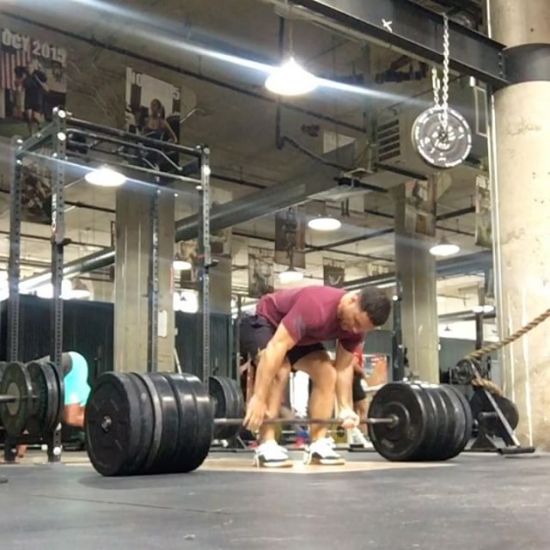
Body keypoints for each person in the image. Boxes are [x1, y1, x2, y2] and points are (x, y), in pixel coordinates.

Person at [240, 285, 391, 467]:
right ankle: (267, 443)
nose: (354, 330)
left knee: (326, 373)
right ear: (352, 300)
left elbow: (342, 368)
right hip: (264, 321)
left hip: (299, 336)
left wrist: (344, 407)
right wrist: (258, 397)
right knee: (280, 368)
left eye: (361, 328)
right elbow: (276, 347)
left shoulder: (355, 330)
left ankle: (318, 444)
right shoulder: (316, 306)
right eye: (356, 322)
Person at [16, 351, 91, 459]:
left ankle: (100, 431)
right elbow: (27, 419)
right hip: (65, 368)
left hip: (74, 365)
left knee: (71, 418)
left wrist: (16, 454)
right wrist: (17, 454)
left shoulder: (19, 387)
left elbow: (25, 417)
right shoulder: (19, 395)